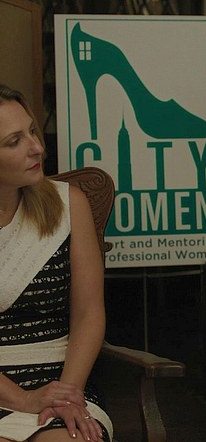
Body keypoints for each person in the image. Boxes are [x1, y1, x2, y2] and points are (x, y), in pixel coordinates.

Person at [0, 85, 111, 442]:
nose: (37, 147)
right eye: (14, 141)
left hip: (62, 382)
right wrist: (24, 399)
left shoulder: (68, 204)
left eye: (32, 131)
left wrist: (67, 394)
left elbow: (89, 314)